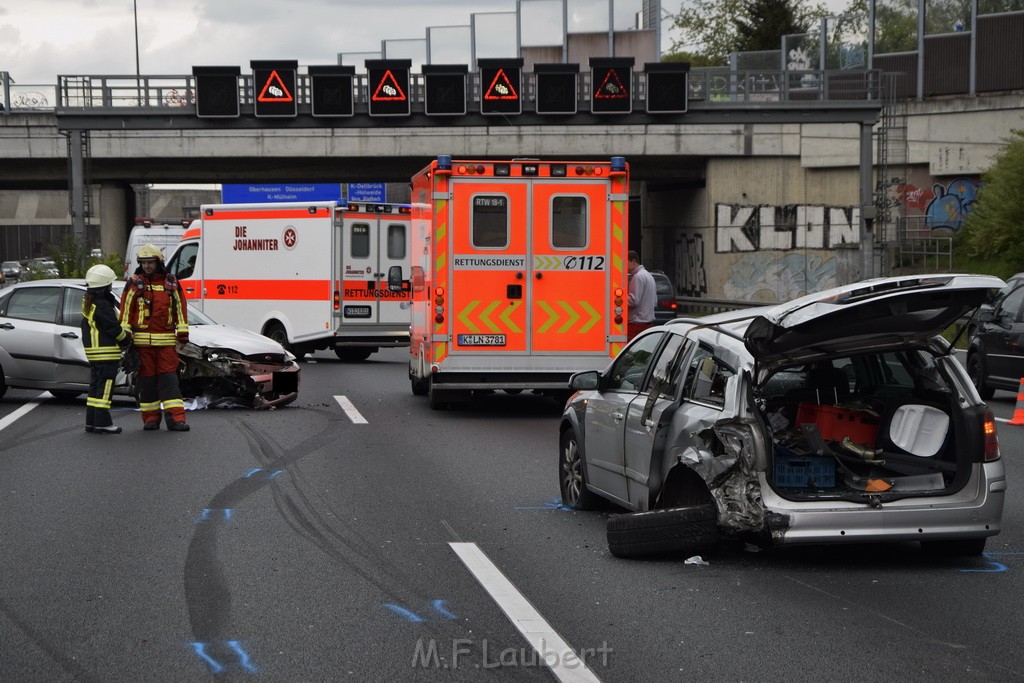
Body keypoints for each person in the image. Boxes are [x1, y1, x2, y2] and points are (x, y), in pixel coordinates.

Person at [119, 244, 191, 431]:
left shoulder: (171, 283)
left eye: (150, 262)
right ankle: (150, 419)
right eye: (144, 263)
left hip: (166, 343)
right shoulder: (134, 283)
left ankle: (176, 419)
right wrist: (125, 338)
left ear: (158, 262)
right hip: (142, 345)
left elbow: (180, 309)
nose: (147, 266)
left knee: (170, 382)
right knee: (147, 383)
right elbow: (126, 312)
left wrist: (183, 333)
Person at [82, 264, 132, 434]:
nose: (111, 287)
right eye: (110, 284)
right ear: (105, 286)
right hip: (106, 354)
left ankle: (91, 423)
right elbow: (113, 329)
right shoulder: (102, 305)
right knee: (105, 390)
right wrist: (126, 339)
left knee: (95, 388)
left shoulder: (89, 302)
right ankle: (103, 423)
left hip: (95, 354)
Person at [626, 250, 657, 340]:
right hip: (647, 323)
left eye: (626, 262)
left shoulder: (638, 277)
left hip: (636, 324)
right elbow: (655, 301)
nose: (624, 266)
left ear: (633, 261)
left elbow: (633, 301)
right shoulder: (648, 275)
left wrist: (618, 298)